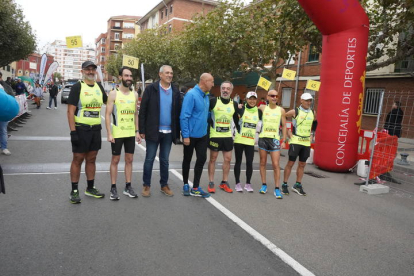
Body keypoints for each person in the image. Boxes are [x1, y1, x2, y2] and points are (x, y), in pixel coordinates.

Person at [67, 61, 108, 204]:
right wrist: (73, 132)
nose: (91, 72)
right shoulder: (78, 86)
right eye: (88, 69)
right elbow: (70, 111)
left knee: (92, 159)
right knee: (78, 159)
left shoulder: (99, 86)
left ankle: (90, 188)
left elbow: (108, 103)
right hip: (81, 128)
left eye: (93, 69)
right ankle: (74, 190)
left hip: (95, 129)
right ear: (83, 71)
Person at [138, 65, 181, 197]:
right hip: (153, 131)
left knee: (165, 160)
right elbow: (143, 110)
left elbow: (178, 112)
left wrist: (178, 132)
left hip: (168, 132)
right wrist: (142, 129)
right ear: (160, 74)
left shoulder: (175, 90)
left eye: (171, 73)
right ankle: (146, 185)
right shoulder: (151, 89)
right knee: (149, 159)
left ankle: (164, 185)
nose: (170, 75)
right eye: (167, 73)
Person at [105, 67, 141, 200]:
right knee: (115, 160)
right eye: (126, 76)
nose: (129, 78)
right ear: (120, 77)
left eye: (130, 76)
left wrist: (137, 131)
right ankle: (113, 188)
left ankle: (128, 186)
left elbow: (136, 114)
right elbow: (108, 115)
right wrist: (109, 133)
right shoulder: (113, 94)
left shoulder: (135, 94)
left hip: (130, 133)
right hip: (117, 133)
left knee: (129, 160)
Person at [180, 73, 214, 198]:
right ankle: (185, 184)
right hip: (191, 135)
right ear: (204, 81)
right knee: (187, 160)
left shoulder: (206, 96)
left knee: (201, 159)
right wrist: (186, 135)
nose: (213, 84)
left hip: (203, 135)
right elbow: (184, 116)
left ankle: (195, 187)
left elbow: (204, 115)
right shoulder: (191, 95)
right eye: (211, 81)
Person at [207, 81, 239, 194]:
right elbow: (206, 115)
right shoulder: (213, 101)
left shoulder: (234, 104)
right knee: (213, 159)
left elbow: (236, 119)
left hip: (227, 136)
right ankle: (211, 182)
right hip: (215, 135)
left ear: (231, 90)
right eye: (223, 88)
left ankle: (224, 182)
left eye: (228, 89)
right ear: (220, 89)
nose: (225, 90)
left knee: (228, 159)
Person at [283, 92, 317, 196]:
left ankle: (297, 184)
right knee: (291, 163)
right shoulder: (295, 111)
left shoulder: (312, 112)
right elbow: (282, 117)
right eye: (307, 100)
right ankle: (284, 185)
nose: (309, 102)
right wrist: (288, 130)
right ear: (301, 100)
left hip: (306, 142)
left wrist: (312, 133)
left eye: (310, 100)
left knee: (302, 164)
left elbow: (315, 122)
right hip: (295, 140)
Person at [258, 89, 287, 199]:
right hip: (263, 138)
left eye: (276, 96)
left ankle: (276, 188)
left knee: (275, 164)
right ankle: (264, 185)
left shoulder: (281, 110)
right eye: (272, 95)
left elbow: (284, 126)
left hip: (274, 139)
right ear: (267, 97)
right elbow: (250, 110)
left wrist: (284, 140)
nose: (274, 97)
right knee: (262, 163)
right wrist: (241, 107)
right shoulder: (262, 108)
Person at [233, 91, 262, 192]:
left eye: (254, 99)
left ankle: (248, 183)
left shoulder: (258, 112)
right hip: (239, 140)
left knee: (249, 163)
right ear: (246, 99)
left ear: (256, 100)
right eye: (250, 99)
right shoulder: (241, 109)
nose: (252, 101)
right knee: (238, 162)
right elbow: (233, 117)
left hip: (250, 141)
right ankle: (237, 183)